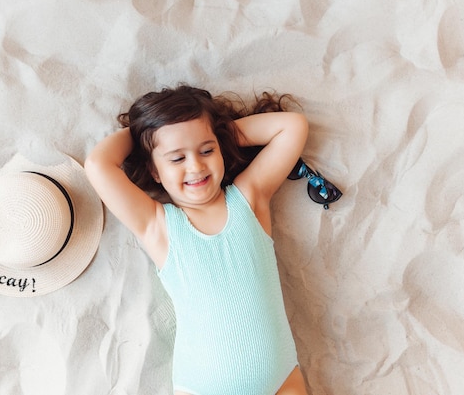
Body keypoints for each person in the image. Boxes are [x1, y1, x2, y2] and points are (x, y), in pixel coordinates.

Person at [85, 85, 309, 395]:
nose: (196, 166)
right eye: (176, 158)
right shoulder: (158, 225)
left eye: (206, 150)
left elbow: (292, 126)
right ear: (155, 170)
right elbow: (99, 165)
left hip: (281, 377)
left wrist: (214, 132)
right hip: (202, 386)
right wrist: (145, 135)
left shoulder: (250, 198)